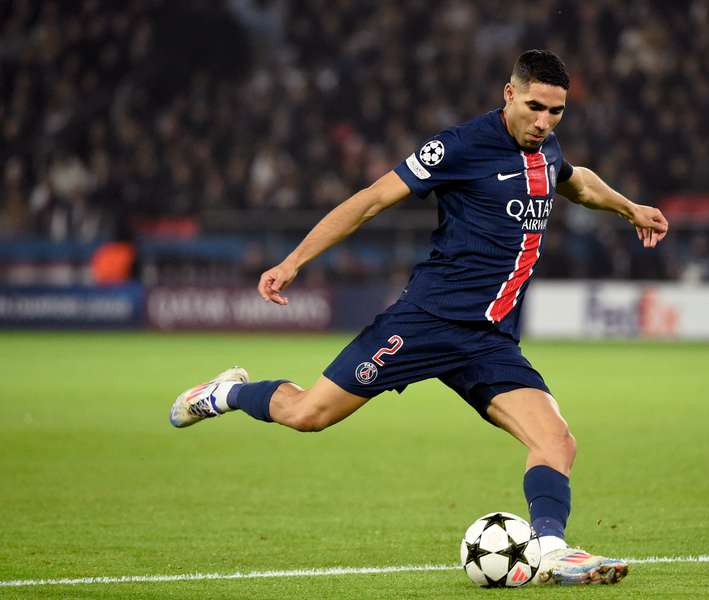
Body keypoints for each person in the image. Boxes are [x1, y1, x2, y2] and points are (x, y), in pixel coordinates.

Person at [169, 49, 668, 586]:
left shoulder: (545, 150)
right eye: (534, 107)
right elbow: (369, 201)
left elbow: (577, 181)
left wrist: (630, 208)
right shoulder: (458, 146)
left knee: (557, 441)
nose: (544, 121)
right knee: (309, 414)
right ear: (508, 93)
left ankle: (552, 550)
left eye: (556, 112)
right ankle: (224, 393)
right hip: (426, 321)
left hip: (490, 341)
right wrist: (294, 261)